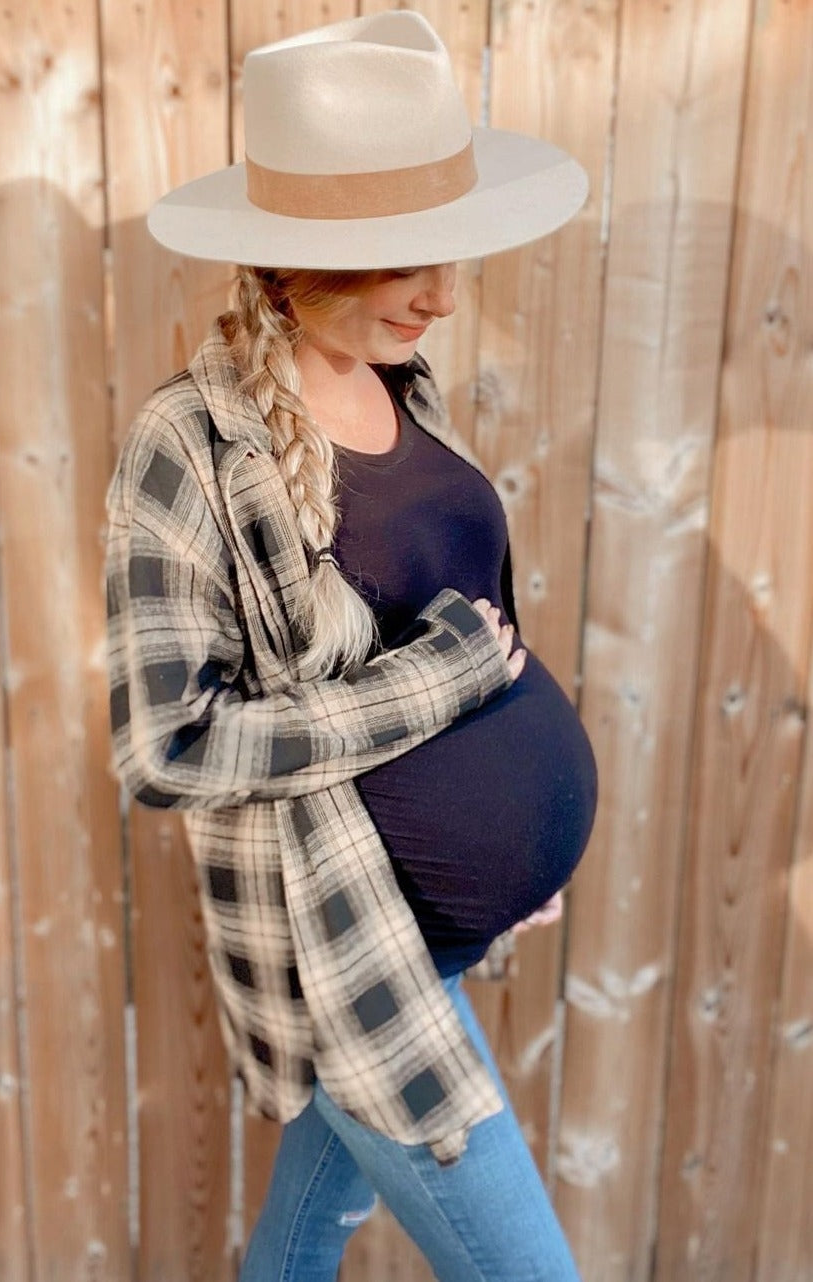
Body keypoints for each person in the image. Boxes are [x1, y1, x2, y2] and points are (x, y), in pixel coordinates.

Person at [105, 11, 597, 1280]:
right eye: (399, 262)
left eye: (447, 250)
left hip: (439, 923)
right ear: (294, 262)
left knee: (302, 1236)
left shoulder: (396, 377)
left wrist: (508, 855)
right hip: (355, 961)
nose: (443, 295)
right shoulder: (189, 444)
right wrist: (432, 687)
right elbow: (167, 746)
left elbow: (467, 609)